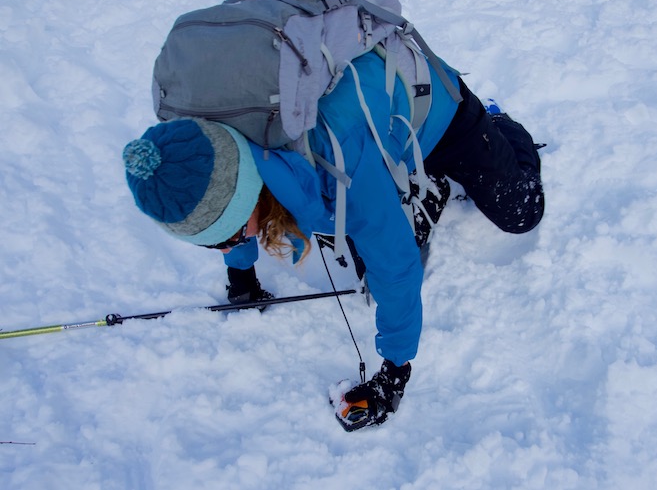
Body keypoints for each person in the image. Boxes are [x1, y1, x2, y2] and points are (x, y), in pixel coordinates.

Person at [123, 46, 544, 430]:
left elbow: (395, 266)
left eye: (232, 237)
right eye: (213, 245)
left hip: (433, 104)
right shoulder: (212, 145)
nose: (230, 246)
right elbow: (224, 205)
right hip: (378, 127)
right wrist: (241, 276)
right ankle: (419, 176)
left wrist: (395, 369)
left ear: (247, 194)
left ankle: (498, 124)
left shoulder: (333, 155)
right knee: (363, 249)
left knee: (522, 211)